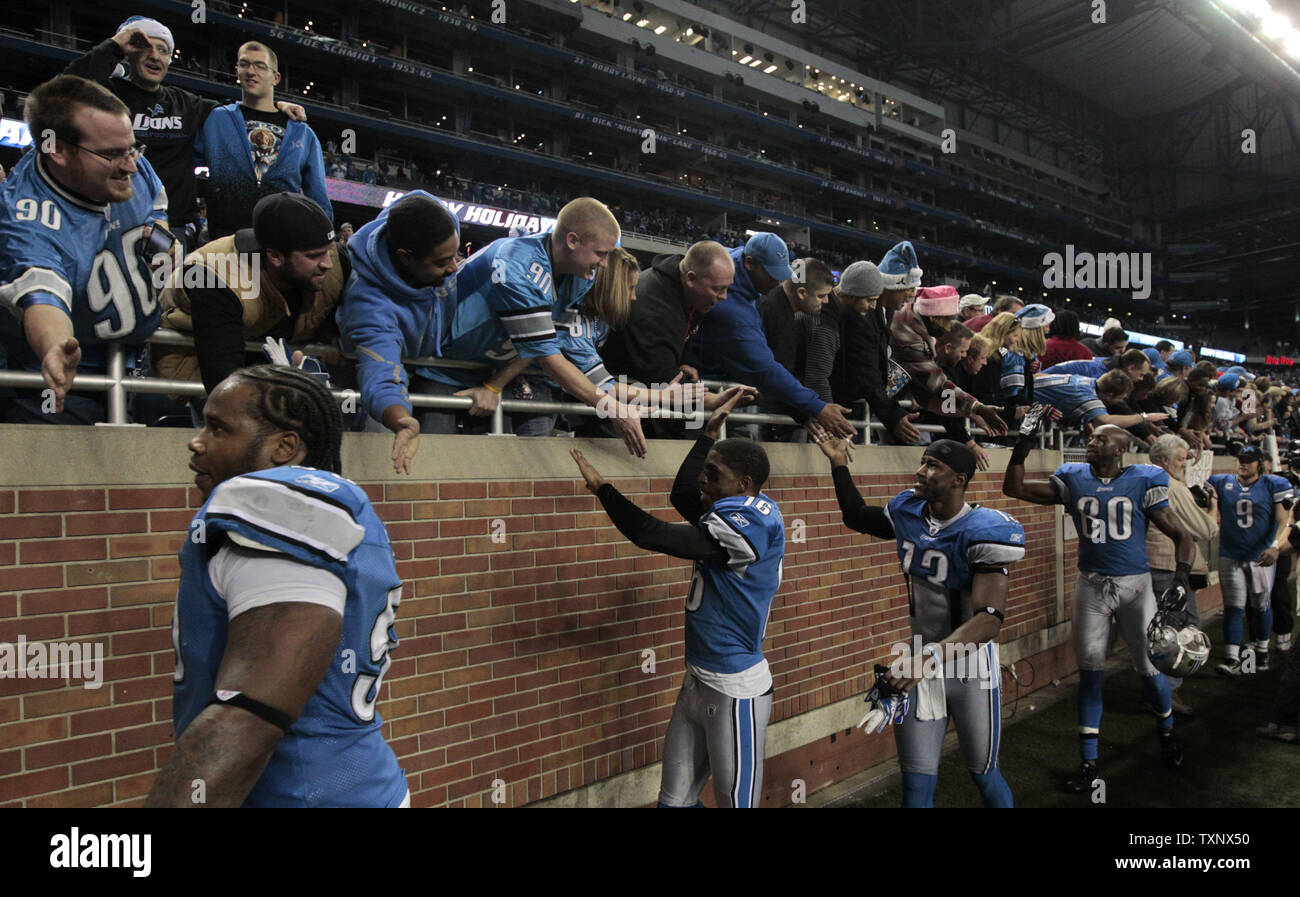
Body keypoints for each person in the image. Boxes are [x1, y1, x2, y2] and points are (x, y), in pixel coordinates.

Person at [146, 365, 408, 807]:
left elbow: (248, 715)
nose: (196, 441)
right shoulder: (340, 510)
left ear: (285, 447)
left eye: (217, 427)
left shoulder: (277, 497)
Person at [570, 388, 782, 807]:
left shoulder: (748, 526)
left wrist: (603, 490)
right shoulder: (736, 504)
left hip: (736, 687)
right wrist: (706, 435)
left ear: (743, 484)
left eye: (713, 474)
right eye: (707, 470)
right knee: (673, 802)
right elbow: (681, 495)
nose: (704, 480)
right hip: (699, 679)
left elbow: (653, 534)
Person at [812, 432, 1024, 807]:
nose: (920, 471)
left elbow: (989, 620)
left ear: (959, 479)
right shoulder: (909, 512)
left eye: (932, 465)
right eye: (923, 461)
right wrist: (838, 464)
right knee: (916, 782)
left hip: (968, 666)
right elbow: (857, 517)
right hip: (918, 659)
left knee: (984, 773)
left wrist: (926, 660)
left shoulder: (983, 528)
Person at [1003, 419, 1197, 792]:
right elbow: (1013, 487)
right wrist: (1024, 440)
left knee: (1148, 666)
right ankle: (1089, 763)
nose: (1091, 442)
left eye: (1101, 438)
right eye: (1091, 437)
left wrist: (1182, 578)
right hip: (1091, 584)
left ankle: (1167, 732)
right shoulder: (1074, 478)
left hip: (1136, 586)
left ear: (1120, 448)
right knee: (1090, 671)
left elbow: (1182, 536)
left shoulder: (1143, 479)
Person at [0, 75, 169, 424]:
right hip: (61, 383)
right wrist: (56, 346)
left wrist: (161, 243)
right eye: (112, 154)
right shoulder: (25, 215)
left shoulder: (128, 162)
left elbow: (156, 209)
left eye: (132, 148)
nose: (131, 165)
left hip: (136, 363)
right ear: (57, 150)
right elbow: (41, 290)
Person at [432, 198, 652, 455]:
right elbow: (547, 356)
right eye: (601, 253)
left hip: (487, 371)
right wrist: (611, 407)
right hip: (440, 365)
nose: (604, 264)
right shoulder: (517, 266)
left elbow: (546, 341)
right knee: (434, 457)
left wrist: (495, 384)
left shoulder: (581, 274)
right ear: (572, 241)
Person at [63, 17, 307, 246]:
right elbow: (61, 92)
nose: (155, 56)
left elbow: (241, 114)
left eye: (163, 51)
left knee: (170, 291)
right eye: (145, 48)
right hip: (112, 222)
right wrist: (114, 46)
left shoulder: (186, 104)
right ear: (128, 54)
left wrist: (278, 107)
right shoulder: (106, 96)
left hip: (173, 227)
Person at [153, 193, 345, 395]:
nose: (328, 263)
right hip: (198, 366)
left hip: (262, 355)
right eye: (314, 256)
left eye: (328, 251)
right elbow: (226, 386)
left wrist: (334, 337)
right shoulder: (215, 278)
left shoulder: (335, 262)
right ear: (275, 256)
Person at [685, 232, 857, 441]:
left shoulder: (734, 259)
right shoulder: (734, 310)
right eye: (771, 273)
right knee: (703, 455)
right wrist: (817, 407)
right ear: (750, 263)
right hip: (703, 390)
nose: (777, 281)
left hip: (712, 383)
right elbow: (766, 369)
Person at [336, 191, 461, 473]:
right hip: (371, 372)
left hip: (433, 366)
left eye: (456, 256)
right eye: (442, 262)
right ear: (405, 258)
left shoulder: (438, 221)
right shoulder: (369, 304)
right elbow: (380, 374)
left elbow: (417, 197)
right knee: (381, 459)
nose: (454, 268)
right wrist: (402, 420)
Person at [196, 42, 332, 239]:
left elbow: (318, 197)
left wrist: (324, 240)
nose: (251, 71)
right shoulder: (216, 119)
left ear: (276, 77)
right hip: (224, 239)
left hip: (279, 243)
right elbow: (184, 165)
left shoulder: (302, 132)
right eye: (244, 64)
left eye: (260, 66)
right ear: (236, 71)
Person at [1146, 434, 1219, 715]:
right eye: (1180, 458)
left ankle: (1159, 689)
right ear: (1164, 461)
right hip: (1168, 567)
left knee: (1162, 629)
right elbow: (1206, 529)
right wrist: (1213, 508)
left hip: (1153, 565)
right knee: (1179, 631)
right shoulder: (1171, 485)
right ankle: (1168, 693)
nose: (1184, 463)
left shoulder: (1145, 478)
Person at [1206, 445, 1294, 676]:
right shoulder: (1221, 482)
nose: (1243, 463)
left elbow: (1283, 519)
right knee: (1234, 607)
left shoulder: (1273, 484)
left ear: (1260, 463)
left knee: (1260, 604)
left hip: (1260, 555)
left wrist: (1275, 546)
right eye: (1240, 459)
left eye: (1249, 460)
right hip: (1230, 553)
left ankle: (1262, 652)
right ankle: (1233, 658)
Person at [600, 240, 732, 389]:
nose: (724, 296)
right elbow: (661, 378)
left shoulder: (689, 295)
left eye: (727, 288)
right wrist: (713, 401)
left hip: (627, 395)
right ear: (690, 279)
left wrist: (675, 366)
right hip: (602, 403)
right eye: (717, 289)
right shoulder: (653, 308)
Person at [889, 284, 1008, 438]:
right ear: (934, 317)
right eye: (948, 320)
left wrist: (971, 411)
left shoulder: (917, 322)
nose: (949, 326)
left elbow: (931, 390)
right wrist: (977, 408)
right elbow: (938, 384)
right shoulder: (911, 336)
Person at [829, 260, 921, 445]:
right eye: (907, 290)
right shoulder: (855, 316)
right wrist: (892, 413)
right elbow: (864, 369)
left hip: (850, 403)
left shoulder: (877, 312)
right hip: (837, 406)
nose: (909, 298)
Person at [756, 257, 834, 438]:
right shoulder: (777, 313)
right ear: (801, 292)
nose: (827, 301)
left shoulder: (779, 305)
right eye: (821, 296)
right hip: (766, 408)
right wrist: (805, 414)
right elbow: (777, 373)